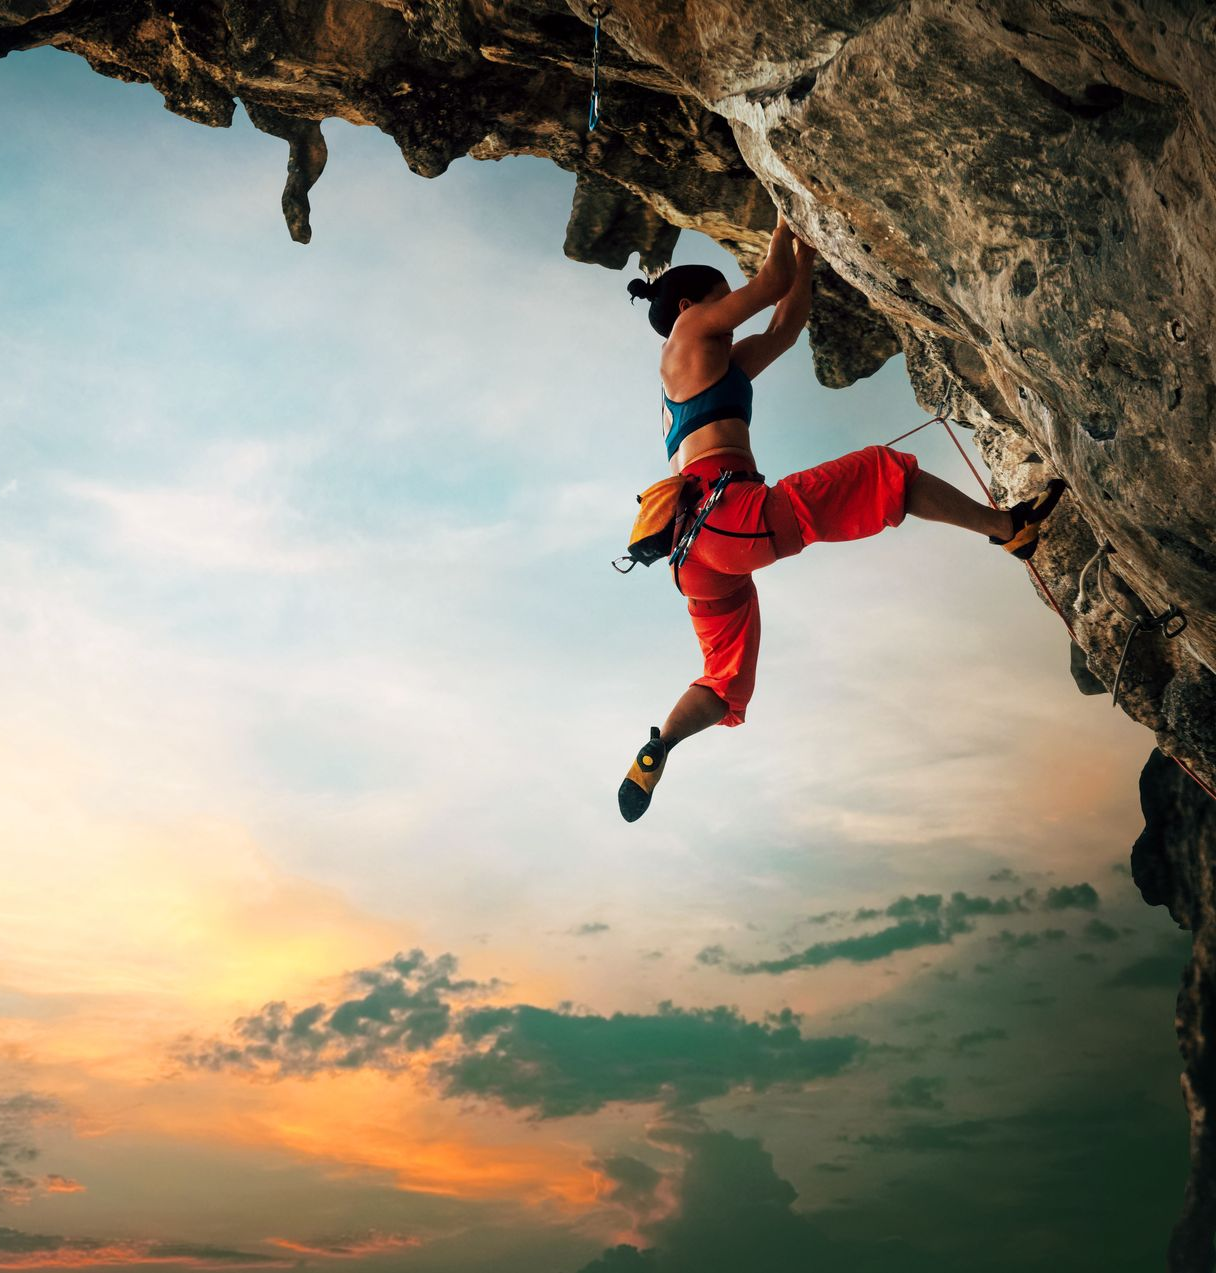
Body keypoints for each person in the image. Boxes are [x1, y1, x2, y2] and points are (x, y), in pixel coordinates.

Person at [617, 212, 1065, 822]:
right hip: (730, 519)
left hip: (695, 557)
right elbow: (769, 284)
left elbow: (784, 325)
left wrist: (805, 261)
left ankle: (660, 745)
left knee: (724, 683)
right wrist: (783, 216)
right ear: (693, 303)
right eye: (725, 298)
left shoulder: (707, 370)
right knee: (885, 473)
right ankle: (1011, 531)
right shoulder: (689, 331)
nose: (730, 308)